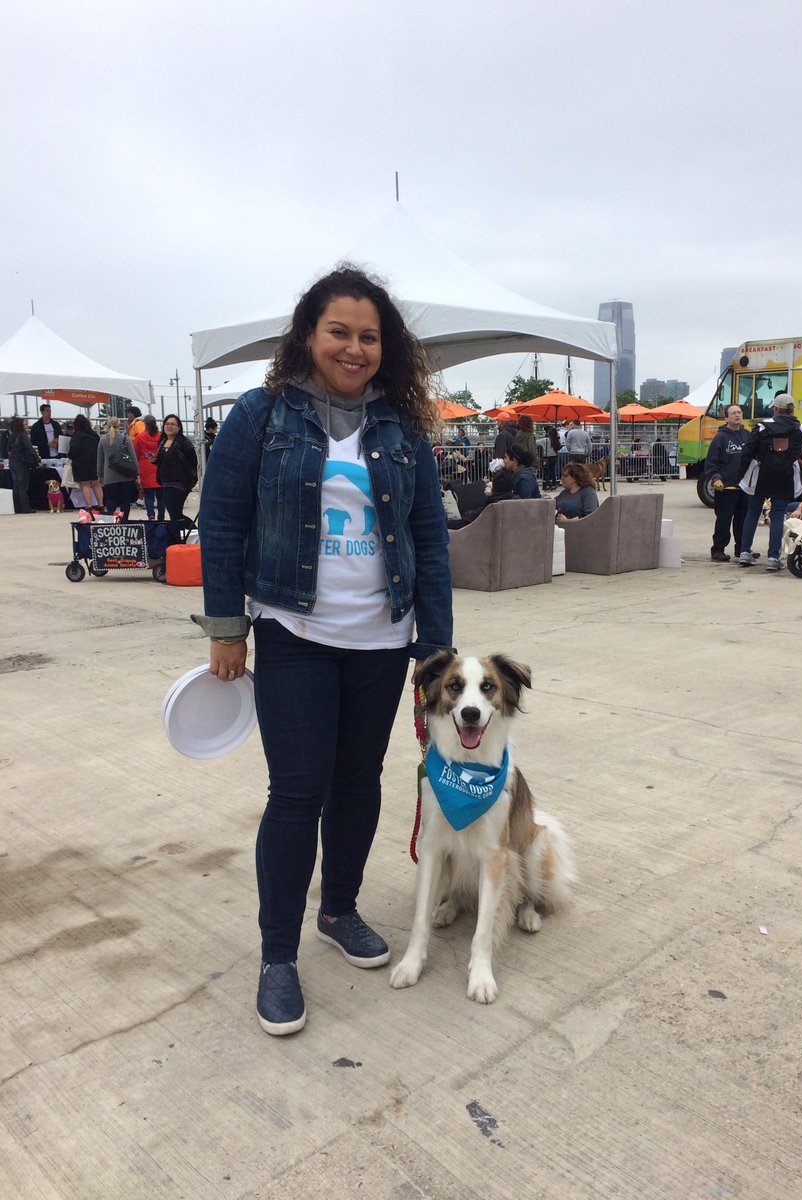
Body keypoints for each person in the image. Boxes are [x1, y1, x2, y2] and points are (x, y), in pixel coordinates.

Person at [194, 265, 453, 1037]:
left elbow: (430, 540)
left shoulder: (400, 430)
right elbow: (221, 520)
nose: (354, 347)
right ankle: (278, 957)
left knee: (359, 782)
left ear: (387, 347)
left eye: (369, 336)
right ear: (309, 334)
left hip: (382, 639)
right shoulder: (261, 416)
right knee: (297, 792)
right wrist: (227, 629)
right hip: (294, 634)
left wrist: (434, 648)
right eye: (339, 331)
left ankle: (338, 910)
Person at [737, 392, 802, 570]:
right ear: (791, 410)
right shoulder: (799, 428)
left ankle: (745, 552)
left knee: (753, 511)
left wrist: (741, 472)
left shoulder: (761, 427)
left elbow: (749, 450)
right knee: (777, 514)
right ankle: (773, 558)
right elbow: (796, 452)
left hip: (761, 473)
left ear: (776, 409)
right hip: (784, 474)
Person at [705, 404, 751, 562]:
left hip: (744, 486)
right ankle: (718, 550)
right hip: (726, 487)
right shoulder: (720, 437)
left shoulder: (748, 435)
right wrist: (716, 478)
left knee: (743, 520)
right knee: (724, 520)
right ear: (726, 418)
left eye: (739, 412)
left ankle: (742, 549)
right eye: (733, 413)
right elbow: (711, 462)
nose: (737, 415)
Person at [151, 414, 198, 521]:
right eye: (167, 424)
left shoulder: (184, 443)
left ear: (179, 427)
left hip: (179, 483)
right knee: (173, 514)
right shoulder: (162, 441)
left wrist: (190, 480)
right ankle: (180, 535)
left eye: (172, 424)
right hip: (165, 482)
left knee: (175, 513)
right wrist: (155, 460)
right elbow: (165, 461)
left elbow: (193, 463)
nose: (169, 426)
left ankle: (193, 531)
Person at [97, 416, 139, 519]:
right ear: (119, 425)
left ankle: (112, 522)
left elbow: (100, 460)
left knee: (110, 501)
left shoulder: (103, 440)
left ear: (107, 426)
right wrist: (136, 473)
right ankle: (124, 522)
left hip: (109, 476)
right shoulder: (126, 439)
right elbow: (133, 458)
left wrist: (100, 475)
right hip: (126, 476)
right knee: (125, 502)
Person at [67, 413, 102, 510]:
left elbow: (74, 449)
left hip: (81, 463)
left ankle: (89, 506)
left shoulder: (77, 436)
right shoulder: (94, 434)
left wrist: (69, 455)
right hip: (94, 461)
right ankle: (101, 505)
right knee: (96, 483)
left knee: (85, 484)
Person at [134, 414, 163, 519]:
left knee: (149, 496)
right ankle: (161, 517)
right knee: (161, 497)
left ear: (144, 424)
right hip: (160, 468)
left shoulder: (139, 438)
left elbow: (135, 455)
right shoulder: (161, 437)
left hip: (145, 469)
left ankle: (151, 516)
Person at [7, 415, 38, 512]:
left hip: (12, 462)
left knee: (16, 486)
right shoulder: (23, 435)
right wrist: (37, 459)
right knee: (23, 486)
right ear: (21, 425)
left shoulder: (12, 435)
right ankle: (25, 507)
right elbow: (30, 448)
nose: (26, 426)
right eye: (25, 424)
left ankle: (17, 507)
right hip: (22, 462)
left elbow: (8, 448)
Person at [541, 426, 562, 491]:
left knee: (546, 471)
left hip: (547, 457)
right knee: (553, 471)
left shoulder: (545, 440)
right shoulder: (556, 440)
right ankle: (553, 484)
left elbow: (536, 442)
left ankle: (546, 484)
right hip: (554, 456)